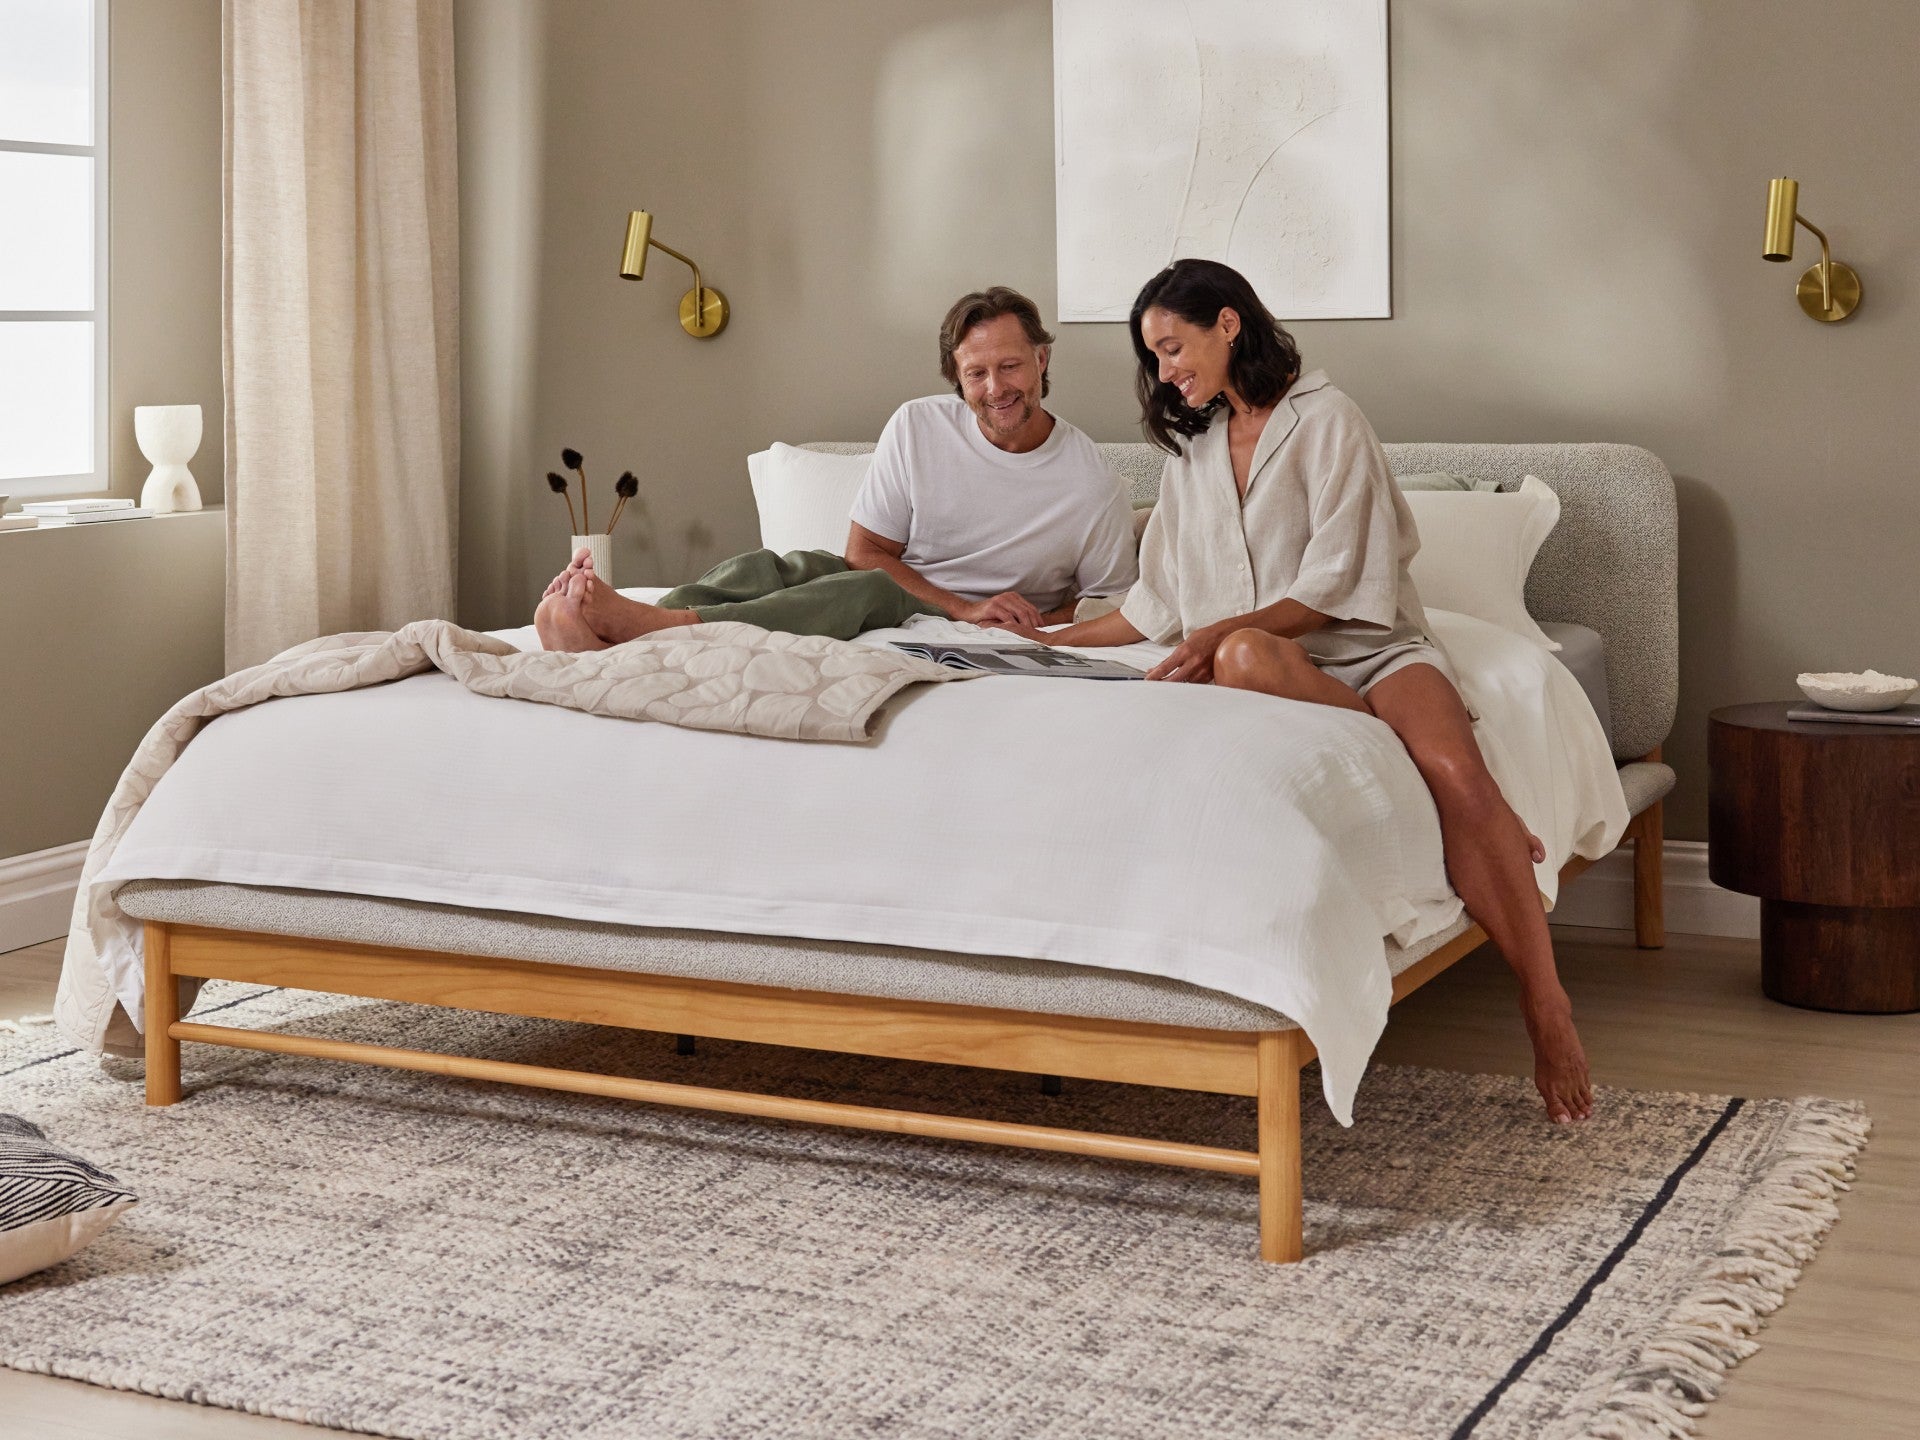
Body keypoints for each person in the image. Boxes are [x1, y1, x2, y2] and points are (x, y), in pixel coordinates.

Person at [1039, 258, 1594, 1124]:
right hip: (1268, 665)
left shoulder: (1329, 421)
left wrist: (1220, 633)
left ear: (1227, 324)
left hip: (1372, 650)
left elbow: (1345, 581)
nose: (1164, 372)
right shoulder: (1192, 450)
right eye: (1152, 358)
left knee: (1452, 764)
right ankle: (1445, 781)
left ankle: (1547, 1005)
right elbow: (1157, 603)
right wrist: (1047, 637)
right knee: (1248, 660)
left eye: (1172, 347)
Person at [534, 286, 1138, 653]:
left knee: (864, 589)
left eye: (1010, 367)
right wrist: (958, 605)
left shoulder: (1093, 486)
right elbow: (864, 551)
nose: (995, 388)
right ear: (957, 377)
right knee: (782, 565)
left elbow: (1106, 611)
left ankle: (648, 628)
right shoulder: (918, 425)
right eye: (976, 374)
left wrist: (1018, 621)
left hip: (936, 612)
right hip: (905, 588)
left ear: (1042, 358)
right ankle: (623, 622)